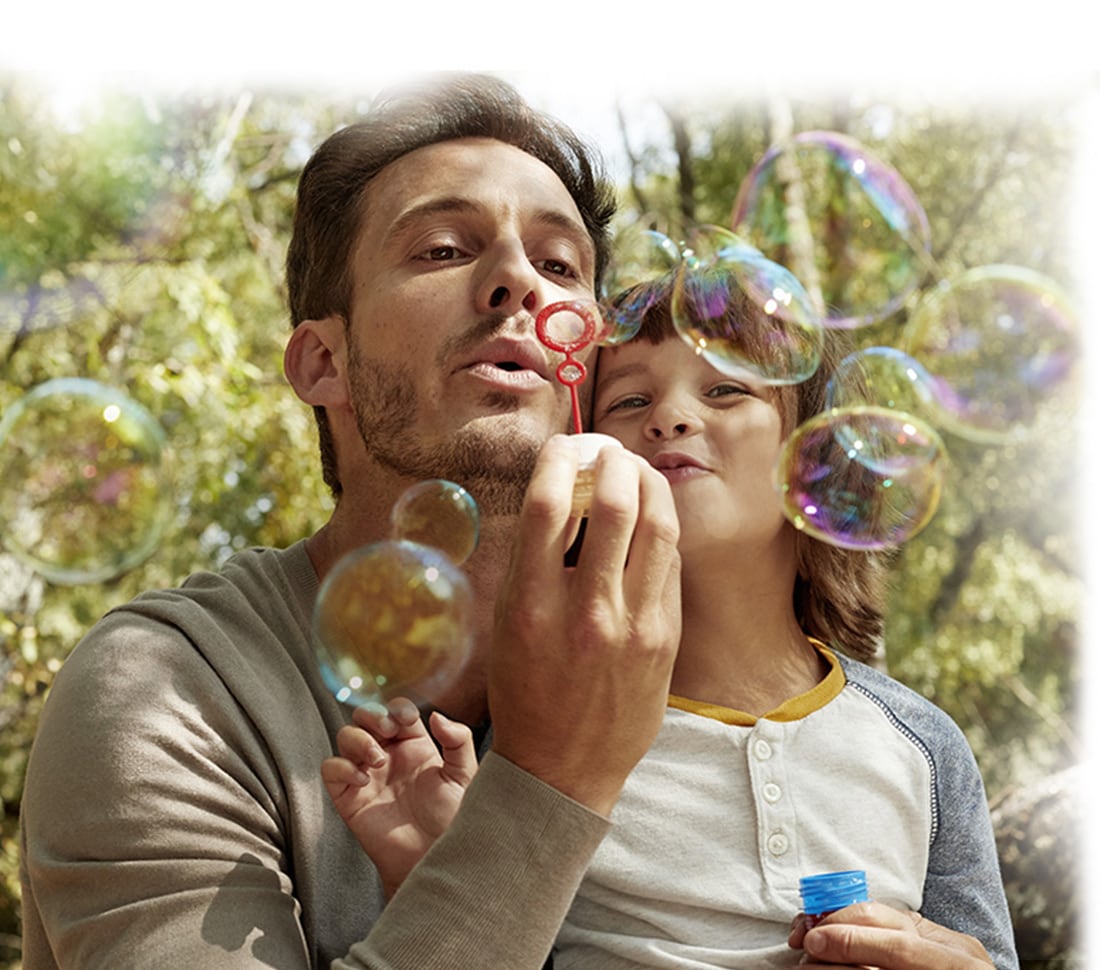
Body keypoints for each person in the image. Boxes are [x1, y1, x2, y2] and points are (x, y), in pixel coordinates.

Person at [18, 72, 683, 970]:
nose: (518, 281)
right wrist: (555, 782)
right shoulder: (169, 689)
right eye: (445, 249)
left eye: (560, 265)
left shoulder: (684, 653)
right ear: (323, 361)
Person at [322, 285, 1019, 969]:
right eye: (629, 400)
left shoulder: (921, 746)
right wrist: (429, 873)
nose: (669, 418)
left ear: (818, 462)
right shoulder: (540, 736)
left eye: (725, 390)